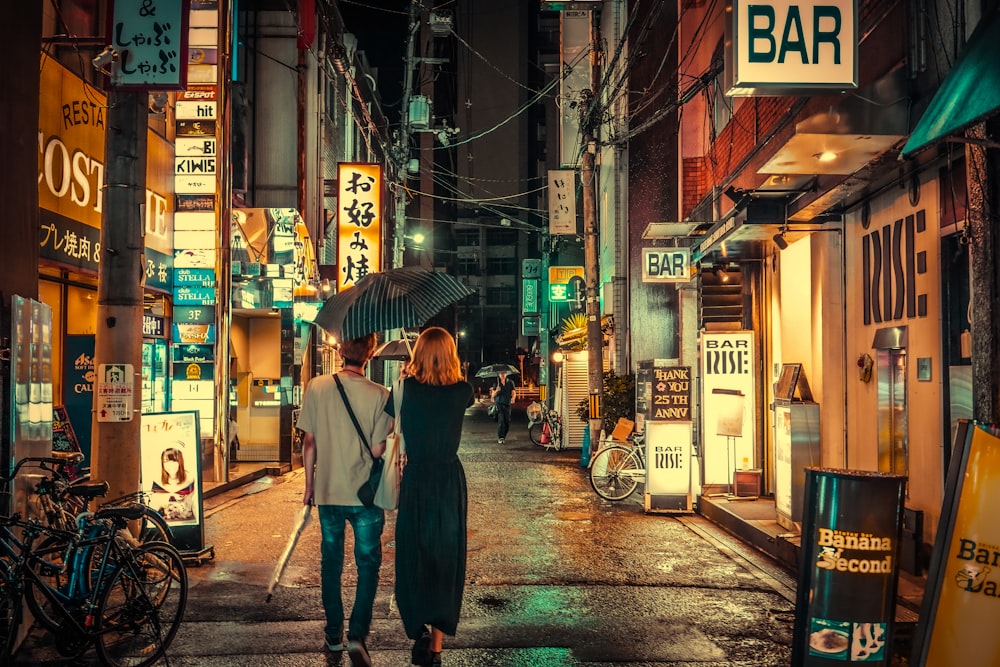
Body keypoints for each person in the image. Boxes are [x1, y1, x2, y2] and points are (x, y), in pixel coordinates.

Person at [298, 333, 392, 667]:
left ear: (341, 351)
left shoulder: (317, 386)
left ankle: (333, 633)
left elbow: (309, 442)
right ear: (370, 353)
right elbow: (380, 449)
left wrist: (309, 485)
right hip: (366, 493)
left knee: (331, 563)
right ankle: (357, 635)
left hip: (327, 491)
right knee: (368, 565)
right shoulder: (382, 395)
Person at [386, 327, 474, 667]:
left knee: (414, 553)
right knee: (445, 560)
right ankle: (435, 648)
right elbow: (457, 393)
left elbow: (389, 425)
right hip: (449, 481)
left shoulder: (404, 390)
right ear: (451, 354)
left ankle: (418, 627)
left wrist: (405, 377)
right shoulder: (462, 391)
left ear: (417, 354)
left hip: (417, 478)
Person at [151, 445, 196, 522]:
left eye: (174, 461)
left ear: (180, 462)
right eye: (166, 461)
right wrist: (170, 496)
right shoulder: (158, 481)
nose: (170, 465)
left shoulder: (189, 479)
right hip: (163, 522)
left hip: (185, 521)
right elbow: (153, 506)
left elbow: (191, 505)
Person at [489, 368, 517, 444]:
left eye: (504, 373)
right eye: (501, 373)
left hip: (507, 404)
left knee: (507, 422)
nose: (503, 375)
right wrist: (497, 391)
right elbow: (493, 395)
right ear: (499, 375)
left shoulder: (510, 382)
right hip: (499, 404)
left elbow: (513, 391)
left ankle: (504, 435)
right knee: (501, 421)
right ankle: (501, 437)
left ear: (506, 374)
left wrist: (513, 398)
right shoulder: (496, 383)